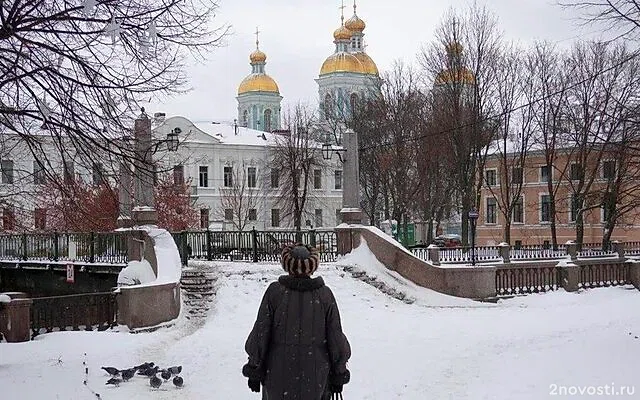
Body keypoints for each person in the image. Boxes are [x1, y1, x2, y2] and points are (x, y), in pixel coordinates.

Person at [242, 243, 351, 400]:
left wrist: (254, 367)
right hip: (315, 375)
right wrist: (339, 371)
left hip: (278, 373)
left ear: (286, 265)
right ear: (312, 267)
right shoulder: (325, 295)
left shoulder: (275, 293)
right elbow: (335, 336)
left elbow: (260, 332)